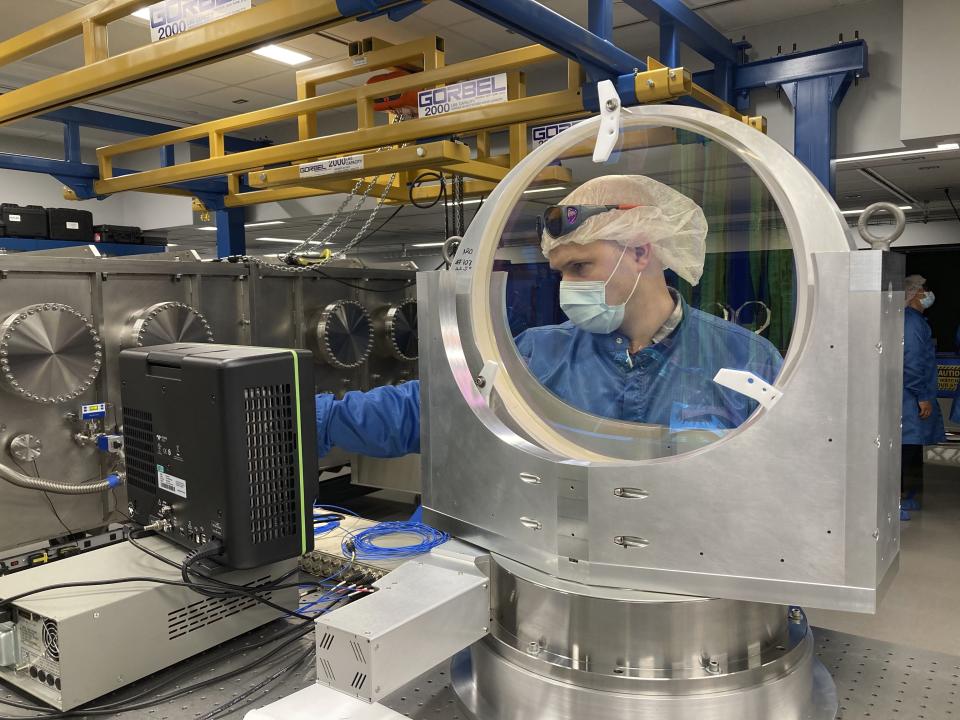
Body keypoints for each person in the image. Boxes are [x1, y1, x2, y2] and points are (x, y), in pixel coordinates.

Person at [315, 175, 783, 458]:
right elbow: (431, 409)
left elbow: (787, 475)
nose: (568, 288)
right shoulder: (541, 352)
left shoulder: (745, 360)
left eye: (581, 267)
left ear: (640, 251)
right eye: (560, 272)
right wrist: (310, 418)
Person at [899, 274, 945, 519]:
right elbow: (912, 362)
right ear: (915, 293)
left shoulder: (915, 320)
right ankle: (898, 500)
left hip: (911, 395)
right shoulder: (911, 322)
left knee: (911, 447)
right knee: (905, 448)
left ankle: (906, 497)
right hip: (909, 397)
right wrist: (922, 396)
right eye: (925, 289)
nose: (928, 294)